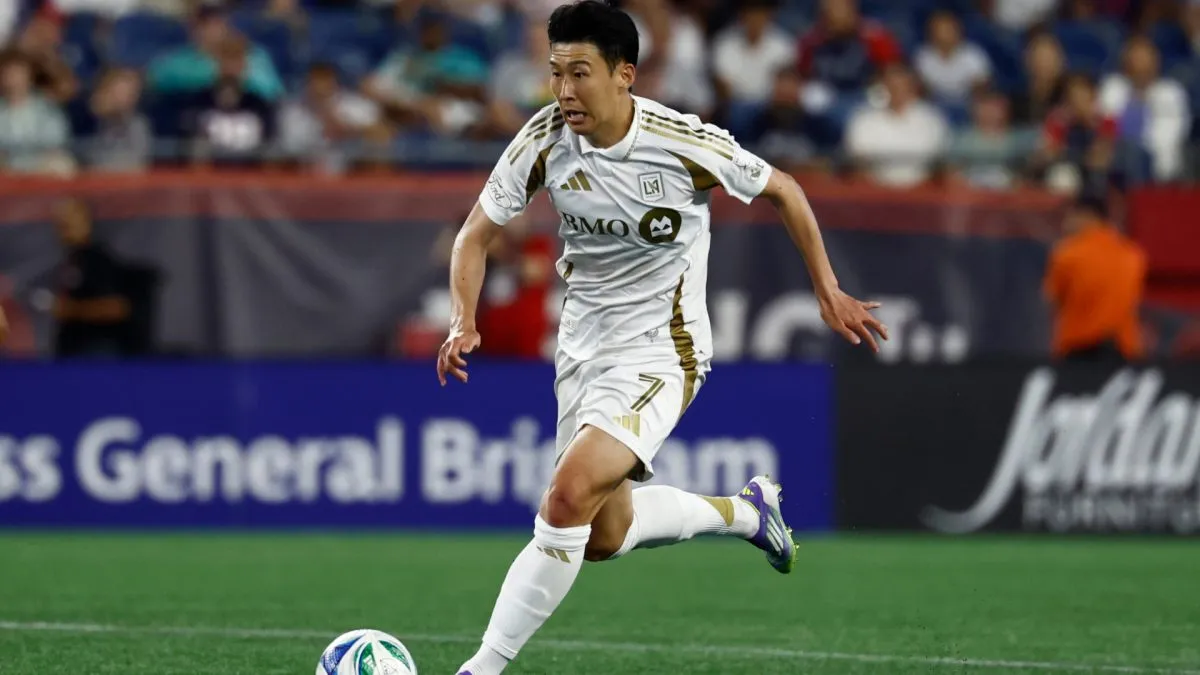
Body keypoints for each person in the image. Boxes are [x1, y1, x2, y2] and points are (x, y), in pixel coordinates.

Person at [435, 3, 887, 674]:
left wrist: (826, 287)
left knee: (564, 497)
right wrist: (462, 318)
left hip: (663, 346)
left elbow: (784, 189)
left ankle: (483, 667)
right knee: (601, 534)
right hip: (582, 347)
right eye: (556, 72)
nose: (564, 90)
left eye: (579, 73)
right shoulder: (545, 138)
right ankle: (746, 512)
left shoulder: (681, 142)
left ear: (624, 75)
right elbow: (475, 233)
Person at [1043, 195, 1147, 363]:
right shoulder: (1131, 253)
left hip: (1077, 347)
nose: (1066, 222)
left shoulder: (1067, 254)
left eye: (1070, 215)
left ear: (1087, 215)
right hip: (1122, 350)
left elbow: (1054, 300)